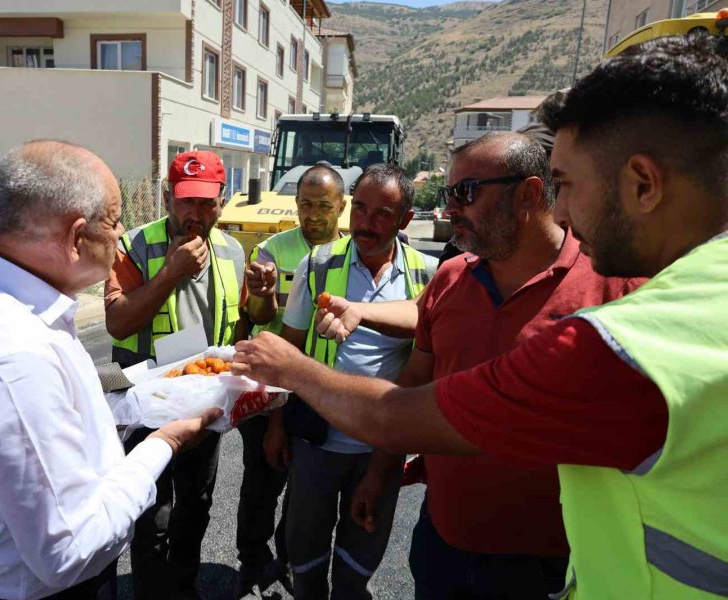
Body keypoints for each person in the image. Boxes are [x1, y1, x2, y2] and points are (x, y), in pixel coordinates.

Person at [231, 34, 728, 599]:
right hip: (447, 540)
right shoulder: (697, 291)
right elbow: (421, 340)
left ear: (642, 183)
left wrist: (291, 369)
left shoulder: (621, 335)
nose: (560, 211)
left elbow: (398, 415)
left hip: (538, 568)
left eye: (566, 186)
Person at [0, 140, 221, 600]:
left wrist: (125, 398)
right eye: (112, 221)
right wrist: (164, 442)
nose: (122, 231)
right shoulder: (12, 357)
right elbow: (70, 550)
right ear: (75, 238)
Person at [333, 131, 644, 599]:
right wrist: (379, 474)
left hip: (549, 561)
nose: (452, 207)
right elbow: (415, 382)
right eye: (448, 194)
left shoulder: (614, 286)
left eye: (467, 192)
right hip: (443, 542)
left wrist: (292, 368)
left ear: (529, 193)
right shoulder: (450, 278)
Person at [267, 163, 435, 600]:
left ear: (405, 221)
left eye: (382, 213)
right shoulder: (317, 265)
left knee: (360, 555)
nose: (366, 222)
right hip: (316, 443)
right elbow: (291, 348)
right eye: (359, 208)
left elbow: (425, 368)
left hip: (380, 449)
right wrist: (277, 424)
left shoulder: (428, 276)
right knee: (304, 552)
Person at [105, 150, 246, 600]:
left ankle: (183, 587)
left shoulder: (232, 249)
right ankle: (151, 592)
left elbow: (239, 326)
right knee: (150, 510)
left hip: (205, 404)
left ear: (222, 202)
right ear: (168, 198)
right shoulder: (135, 247)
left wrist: (260, 301)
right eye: (187, 202)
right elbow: (118, 323)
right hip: (146, 406)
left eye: (206, 203)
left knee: (196, 504)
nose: (196, 214)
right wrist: (171, 271)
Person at [236, 164, 347, 598]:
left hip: (320, 391)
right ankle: (252, 562)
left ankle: (285, 558)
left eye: (323, 206)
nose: (313, 214)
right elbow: (257, 318)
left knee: (306, 490)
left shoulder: (352, 254)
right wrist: (263, 294)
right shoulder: (270, 250)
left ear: (341, 206)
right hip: (269, 392)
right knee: (262, 482)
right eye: (305, 204)